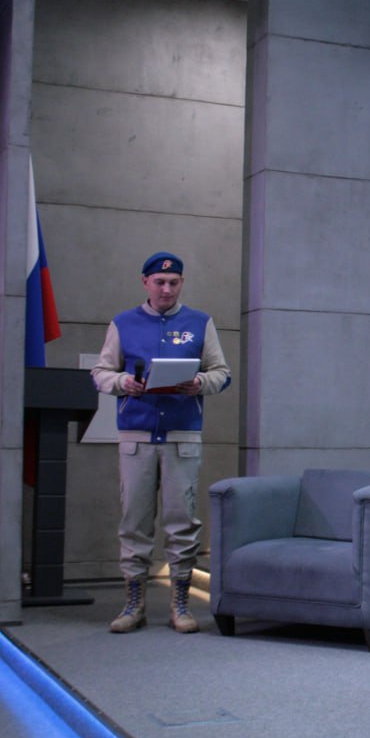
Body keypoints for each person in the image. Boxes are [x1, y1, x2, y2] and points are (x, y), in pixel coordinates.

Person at [92, 251, 232, 633]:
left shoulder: (200, 323)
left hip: (182, 436)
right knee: (134, 522)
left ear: (181, 283)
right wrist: (123, 382)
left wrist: (199, 382)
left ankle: (180, 604)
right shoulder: (123, 323)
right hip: (136, 436)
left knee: (182, 520)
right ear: (146, 282)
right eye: (159, 282)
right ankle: (133, 604)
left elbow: (222, 373)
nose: (166, 289)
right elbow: (101, 372)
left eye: (173, 282)